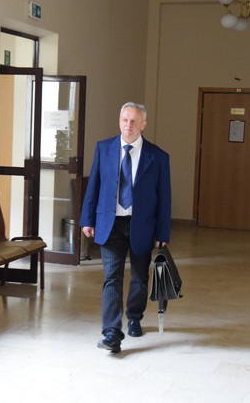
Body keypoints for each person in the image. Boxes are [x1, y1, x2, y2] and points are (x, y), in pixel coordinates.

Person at [80, 101, 172, 353]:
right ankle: (111, 332)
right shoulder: (104, 148)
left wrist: (162, 232)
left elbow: (164, 197)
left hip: (142, 225)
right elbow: (94, 185)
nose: (128, 125)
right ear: (119, 121)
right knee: (112, 277)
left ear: (143, 124)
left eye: (133, 121)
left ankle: (134, 317)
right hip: (110, 224)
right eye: (124, 120)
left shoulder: (158, 157)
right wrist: (87, 219)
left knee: (140, 276)